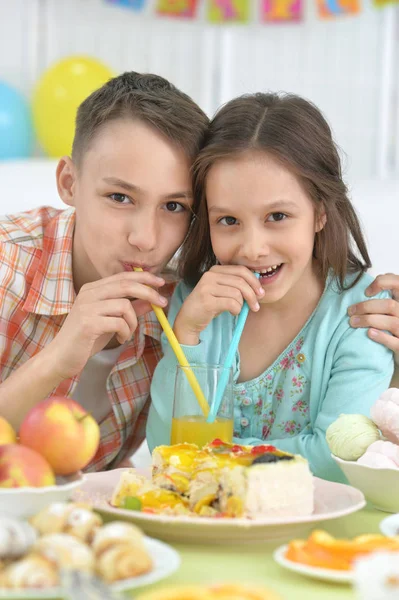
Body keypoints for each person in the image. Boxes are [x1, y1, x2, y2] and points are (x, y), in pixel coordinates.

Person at [147, 92, 394, 482]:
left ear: (320, 213)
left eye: (277, 216)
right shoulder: (199, 305)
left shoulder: (361, 314)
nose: (253, 248)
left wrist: (212, 458)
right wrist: (188, 336)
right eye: (228, 220)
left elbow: (336, 459)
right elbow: (164, 450)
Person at [0, 71, 209, 471]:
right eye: (120, 197)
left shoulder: (184, 303)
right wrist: (59, 357)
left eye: (174, 207)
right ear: (69, 182)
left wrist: (358, 304)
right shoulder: (7, 266)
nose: (145, 239)